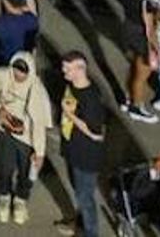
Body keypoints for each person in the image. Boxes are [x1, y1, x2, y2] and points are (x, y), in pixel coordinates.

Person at [0, 50, 53, 226]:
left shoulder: (36, 90)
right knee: (4, 167)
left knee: (26, 172)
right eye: (15, 70)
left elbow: (39, 123)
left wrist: (39, 152)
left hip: (27, 138)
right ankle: (4, 197)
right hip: (5, 131)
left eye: (22, 72)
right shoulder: (2, 75)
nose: (18, 75)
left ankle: (21, 200)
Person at [58, 51, 107, 237]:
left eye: (68, 69)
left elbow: (96, 133)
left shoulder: (91, 99)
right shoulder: (72, 86)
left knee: (85, 198)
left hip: (86, 158)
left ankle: (90, 233)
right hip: (73, 150)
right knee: (78, 191)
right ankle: (80, 223)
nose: (64, 72)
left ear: (80, 68)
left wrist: (70, 115)